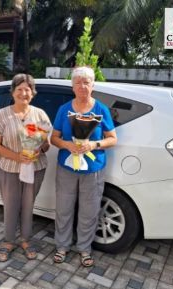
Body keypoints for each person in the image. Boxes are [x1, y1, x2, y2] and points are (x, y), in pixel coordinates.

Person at [51, 66, 117, 267]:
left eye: (86, 82)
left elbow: (112, 139)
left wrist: (93, 144)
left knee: (89, 210)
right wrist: (66, 144)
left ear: (93, 85)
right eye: (78, 82)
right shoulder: (64, 109)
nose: (82, 86)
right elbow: (54, 138)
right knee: (64, 208)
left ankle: (84, 249)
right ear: (72, 87)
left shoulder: (101, 109)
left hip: (93, 169)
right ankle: (62, 246)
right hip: (67, 167)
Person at [0, 74, 51, 262]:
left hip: (35, 168)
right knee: (11, 206)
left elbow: (47, 144)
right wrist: (18, 156)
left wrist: (39, 149)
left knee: (27, 205)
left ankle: (26, 240)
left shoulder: (39, 114)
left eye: (27, 89)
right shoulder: (2, 115)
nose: (23, 93)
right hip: (8, 169)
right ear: (13, 92)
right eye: (19, 89)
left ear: (32, 93)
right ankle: (8, 241)